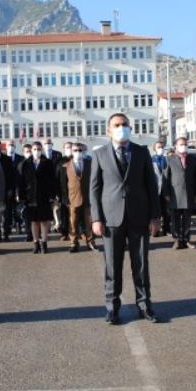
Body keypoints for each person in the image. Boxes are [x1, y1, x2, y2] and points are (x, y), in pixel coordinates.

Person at [90, 113, 160, 325]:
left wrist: (155, 216)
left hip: (139, 216)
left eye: (125, 124)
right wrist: (96, 218)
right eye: (117, 125)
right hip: (111, 219)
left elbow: (151, 185)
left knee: (140, 265)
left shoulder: (141, 152)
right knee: (112, 266)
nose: (122, 128)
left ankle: (144, 305)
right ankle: (112, 307)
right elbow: (94, 189)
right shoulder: (100, 154)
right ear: (108, 130)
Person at [19, 142, 56, 254]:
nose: (36, 151)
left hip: (44, 196)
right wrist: (21, 197)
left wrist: (52, 196)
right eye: (34, 149)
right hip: (30, 197)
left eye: (38, 149)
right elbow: (21, 182)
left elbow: (52, 180)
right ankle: (36, 243)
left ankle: (44, 243)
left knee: (44, 221)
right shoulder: (25, 163)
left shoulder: (48, 163)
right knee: (34, 221)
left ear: (42, 150)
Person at [162, 137, 196, 249]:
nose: (184, 146)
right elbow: (165, 177)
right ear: (175, 146)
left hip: (189, 193)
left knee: (187, 220)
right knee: (175, 219)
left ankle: (186, 240)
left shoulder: (192, 159)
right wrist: (166, 193)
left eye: (185, 144)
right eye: (181, 144)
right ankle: (177, 240)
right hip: (175, 194)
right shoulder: (169, 159)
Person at [62, 143, 96, 252]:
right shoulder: (65, 166)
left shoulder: (90, 164)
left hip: (88, 198)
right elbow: (63, 184)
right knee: (73, 223)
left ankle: (90, 242)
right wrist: (65, 198)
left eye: (80, 150)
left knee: (89, 222)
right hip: (73, 198)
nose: (78, 152)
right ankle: (73, 244)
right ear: (72, 152)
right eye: (75, 150)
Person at [0, 140, 21, 240]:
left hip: (17, 188)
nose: (11, 146)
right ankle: (6, 232)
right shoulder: (2, 158)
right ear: (6, 146)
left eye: (12, 145)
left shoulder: (20, 158)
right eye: (9, 145)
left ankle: (19, 226)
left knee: (18, 210)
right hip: (6, 190)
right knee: (6, 213)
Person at [151, 140, 170, 237]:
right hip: (155, 190)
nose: (160, 149)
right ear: (154, 149)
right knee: (156, 212)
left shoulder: (167, 159)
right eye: (158, 147)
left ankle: (167, 229)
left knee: (166, 211)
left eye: (161, 147)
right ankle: (156, 230)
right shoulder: (151, 160)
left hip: (166, 190)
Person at [56, 141, 73, 241]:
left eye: (70, 147)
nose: (69, 149)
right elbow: (56, 177)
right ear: (64, 149)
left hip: (75, 191)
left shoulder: (77, 159)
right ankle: (64, 233)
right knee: (64, 214)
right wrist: (57, 193)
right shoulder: (60, 162)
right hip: (63, 192)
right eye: (67, 147)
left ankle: (79, 232)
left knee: (77, 213)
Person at [18, 144, 34, 242]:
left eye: (30, 151)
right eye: (27, 151)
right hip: (26, 194)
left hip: (36, 194)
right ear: (24, 153)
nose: (29, 153)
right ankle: (29, 234)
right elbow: (19, 180)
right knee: (27, 216)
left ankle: (37, 234)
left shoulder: (36, 162)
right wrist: (19, 194)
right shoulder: (22, 164)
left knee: (36, 216)